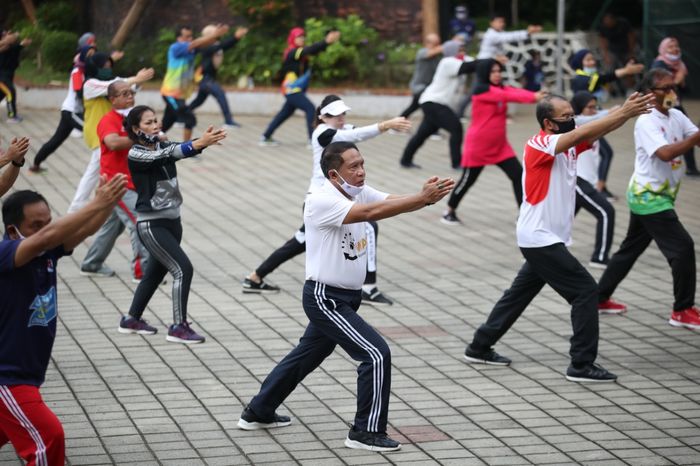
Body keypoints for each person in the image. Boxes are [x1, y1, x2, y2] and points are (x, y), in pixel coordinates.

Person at [237, 141, 455, 451]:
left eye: (362, 163)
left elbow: (387, 200)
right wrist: (421, 199)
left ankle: (258, 411)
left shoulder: (355, 189)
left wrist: (424, 198)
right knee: (376, 354)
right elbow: (372, 211)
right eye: (353, 167)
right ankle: (365, 432)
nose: (361, 171)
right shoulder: (321, 200)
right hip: (326, 299)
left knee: (305, 356)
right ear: (334, 175)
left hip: (345, 298)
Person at [462, 91, 655, 383]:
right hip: (539, 238)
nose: (572, 121)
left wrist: (624, 115)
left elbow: (597, 130)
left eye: (572, 115)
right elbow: (582, 133)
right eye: (565, 117)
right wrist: (625, 112)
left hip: (544, 238)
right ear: (548, 124)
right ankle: (581, 364)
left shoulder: (568, 145)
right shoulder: (540, 144)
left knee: (518, 295)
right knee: (586, 291)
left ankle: (479, 346)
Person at [0, 175, 127, 466]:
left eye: (48, 221)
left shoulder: (47, 253)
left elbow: (82, 230)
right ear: (12, 229)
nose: (46, 230)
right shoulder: (6, 254)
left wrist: (106, 205)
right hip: (6, 378)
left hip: (25, 375)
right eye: (35, 225)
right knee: (47, 438)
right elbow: (47, 237)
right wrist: (96, 202)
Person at [243, 95, 412, 305]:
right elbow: (357, 134)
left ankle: (255, 277)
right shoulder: (322, 132)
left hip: (328, 200)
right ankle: (369, 288)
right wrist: (385, 124)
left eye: (342, 113)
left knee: (298, 243)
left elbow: (357, 131)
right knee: (369, 226)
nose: (340, 118)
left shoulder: (340, 129)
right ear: (322, 117)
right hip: (323, 201)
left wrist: (390, 128)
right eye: (334, 115)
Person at [598, 69, 700, 328]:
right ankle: (682, 310)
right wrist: (695, 138)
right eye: (664, 88)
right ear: (648, 95)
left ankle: (598, 298)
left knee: (629, 250)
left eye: (672, 87)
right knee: (683, 248)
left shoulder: (676, 115)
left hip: (657, 194)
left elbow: (695, 138)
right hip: (649, 198)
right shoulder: (647, 120)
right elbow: (665, 153)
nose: (671, 93)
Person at [120, 105, 226, 343]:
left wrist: (204, 141)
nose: (155, 125)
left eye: (156, 120)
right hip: (152, 225)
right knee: (183, 269)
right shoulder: (136, 154)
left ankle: (131, 319)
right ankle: (178, 327)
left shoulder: (163, 145)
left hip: (172, 222)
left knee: (154, 275)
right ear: (136, 129)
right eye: (148, 123)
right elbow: (166, 156)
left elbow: (177, 150)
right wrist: (197, 144)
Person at [442, 59, 544, 225]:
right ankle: (449, 211)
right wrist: (534, 97)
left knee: (518, 175)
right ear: (484, 73)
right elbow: (507, 96)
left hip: (500, 146)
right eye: (492, 71)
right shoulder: (481, 90)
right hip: (478, 146)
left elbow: (514, 91)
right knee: (468, 180)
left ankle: (524, 214)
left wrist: (535, 95)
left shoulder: (499, 87)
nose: (497, 74)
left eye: (498, 71)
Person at [79, 81, 150, 281]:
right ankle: (142, 272)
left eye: (131, 93)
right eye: (124, 94)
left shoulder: (134, 118)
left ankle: (91, 263)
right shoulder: (108, 120)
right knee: (140, 221)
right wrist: (143, 139)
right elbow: (113, 142)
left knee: (113, 226)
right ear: (112, 99)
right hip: (117, 184)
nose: (130, 96)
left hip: (132, 181)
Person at [67, 52, 154, 214]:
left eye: (109, 65)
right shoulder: (90, 84)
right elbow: (112, 87)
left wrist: (138, 81)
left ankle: (100, 204)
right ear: (95, 67)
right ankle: (77, 208)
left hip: (112, 132)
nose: (107, 69)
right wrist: (135, 78)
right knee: (94, 171)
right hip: (99, 133)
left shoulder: (113, 83)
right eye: (104, 66)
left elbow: (128, 88)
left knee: (97, 170)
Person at [569, 49, 643, 199]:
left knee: (604, 154)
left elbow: (602, 80)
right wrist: (626, 71)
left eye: (592, 59)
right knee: (605, 153)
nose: (592, 62)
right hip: (585, 124)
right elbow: (605, 78)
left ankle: (597, 187)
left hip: (592, 121)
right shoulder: (580, 79)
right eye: (587, 60)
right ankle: (598, 188)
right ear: (579, 64)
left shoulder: (588, 77)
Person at [400, 43, 488, 169]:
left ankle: (405, 160)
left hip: (432, 102)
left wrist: (489, 62)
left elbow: (475, 63)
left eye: (463, 50)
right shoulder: (448, 61)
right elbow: (469, 66)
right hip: (434, 102)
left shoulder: (459, 60)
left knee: (423, 133)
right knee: (456, 128)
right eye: (459, 50)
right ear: (452, 52)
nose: (462, 53)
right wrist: (492, 60)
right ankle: (457, 163)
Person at [259, 27, 341, 146]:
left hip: (294, 89)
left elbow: (314, 50)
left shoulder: (300, 52)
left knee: (285, 113)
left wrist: (328, 42)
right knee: (310, 109)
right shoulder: (292, 52)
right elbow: (308, 50)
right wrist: (325, 41)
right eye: (299, 37)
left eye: (303, 36)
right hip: (291, 89)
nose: (302, 39)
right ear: (293, 38)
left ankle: (265, 137)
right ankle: (313, 140)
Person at [29, 45, 95, 173]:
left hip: (70, 111)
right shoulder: (77, 71)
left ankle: (36, 164)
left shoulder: (87, 70)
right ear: (83, 55)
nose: (91, 58)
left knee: (56, 140)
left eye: (93, 55)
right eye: (89, 55)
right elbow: (79, 93)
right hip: (71, 111)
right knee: (93, 131)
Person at [161, 24, 230, 141]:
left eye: (191, 36)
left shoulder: (191, 50)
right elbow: (194, 44)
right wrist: (214, 35)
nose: (190, 39)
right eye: (186, 37)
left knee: (166, 123)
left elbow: (206, 44)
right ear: (178, 38)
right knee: (190, 119)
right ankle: (187, 148)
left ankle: (145, 142)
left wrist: (217, 36)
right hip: (171, 93)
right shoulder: (176, 47)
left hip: (180, 95)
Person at [570, 91, 616, 268]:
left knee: (562, 221)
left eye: (595, 107)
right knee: (606, 212)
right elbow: (603, 118)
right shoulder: (576, 124)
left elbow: (607, 154)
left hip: (587, 181)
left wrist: (601, 180)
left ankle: (537, 254)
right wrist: (621, 111)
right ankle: (600, 257)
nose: (593, 111)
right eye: (589, 107)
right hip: (577, 181)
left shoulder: (594, 124)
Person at [651, 37, 699, 177]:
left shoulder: (679, 65)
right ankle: (685, 167)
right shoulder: (659, 64)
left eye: (676, 46)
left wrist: (681, 82)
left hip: (675, 104)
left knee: (687, 134)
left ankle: (691, 168)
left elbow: (684, 90)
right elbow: (665, 85)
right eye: (671, 46)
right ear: (663, 49)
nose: (675, 49)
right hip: (665, 106)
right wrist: (678, 79)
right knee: (676, 136)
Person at [187, 25, 248, 129]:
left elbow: (224, 45)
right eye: (214, 34)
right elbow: (223, 46)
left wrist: (233, 37)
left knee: (199, 100)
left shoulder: (213, 45)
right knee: (220, 94)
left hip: (208, 78)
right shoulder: (205, 47)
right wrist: (235, 37)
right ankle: (228, 121)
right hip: (205, 78)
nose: (216, 36)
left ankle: (179, 116)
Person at [399, 33, 443, 119]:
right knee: (430, 108)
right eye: (435, 43)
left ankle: (396, 126)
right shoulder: (422, 52)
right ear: (427, 43)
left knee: (414, 107)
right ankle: (429, 129)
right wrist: (447, 46)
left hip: (428, 87)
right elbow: (430, 53)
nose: (437, 46)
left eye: (438, 43)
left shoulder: (437, 57)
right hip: (419, 87)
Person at [598, 12, 636, 95]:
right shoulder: (603, 26)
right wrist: (605, 55)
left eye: (608, 22)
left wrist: (631, 51)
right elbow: (602, 41)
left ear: (613, 20)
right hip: (611, 51)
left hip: (625, 49)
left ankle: (630, 89)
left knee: (628, 68)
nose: (607, 24)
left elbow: (631, 36)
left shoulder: (623, 23)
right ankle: (609, 91)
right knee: (608, 70)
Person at [0, 31, 31, 123]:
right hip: (1, 78)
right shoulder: (4, 47)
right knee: (10, 92)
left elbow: (17, 47)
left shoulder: (12, 48)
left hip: (7, 77)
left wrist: (22, 43)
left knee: (3, 93)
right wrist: (14, 36)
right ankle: (12, 116)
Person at [477, 15, 541, 59]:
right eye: (499, 22)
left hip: (489, 63)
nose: (502, 24)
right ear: (491, 23)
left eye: (503, 22)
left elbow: (510, 35)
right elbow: (510, 36)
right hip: (484, 62)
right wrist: (527, 32)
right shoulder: (491, 35)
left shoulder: (499, 33)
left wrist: (527, 33)